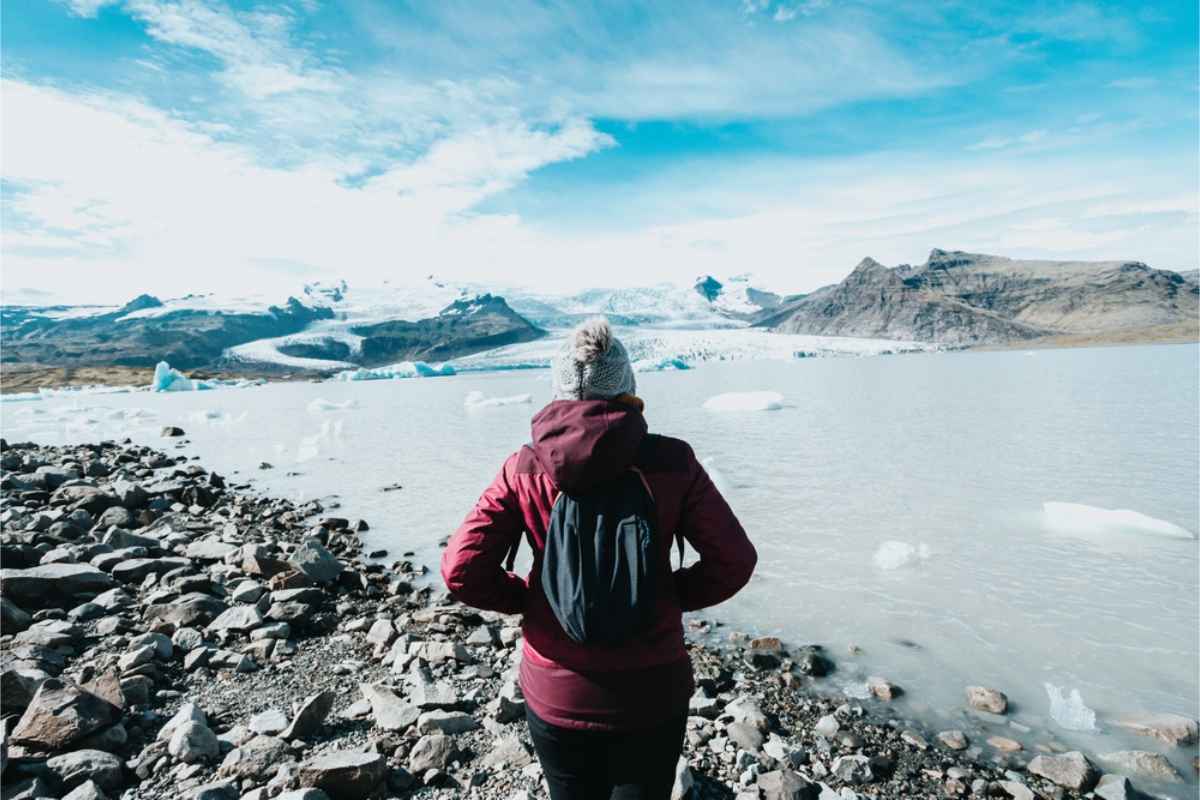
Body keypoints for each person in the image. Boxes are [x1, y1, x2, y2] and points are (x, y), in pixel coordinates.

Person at [441, 316, 757, 800]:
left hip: (556, 690)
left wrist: (533, 599)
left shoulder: (523, 467)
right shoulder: (673, 462)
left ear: (558, 390)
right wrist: (667, 595)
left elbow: (461, 569)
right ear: (627, 385)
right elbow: (734, 560)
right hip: (652, 689)